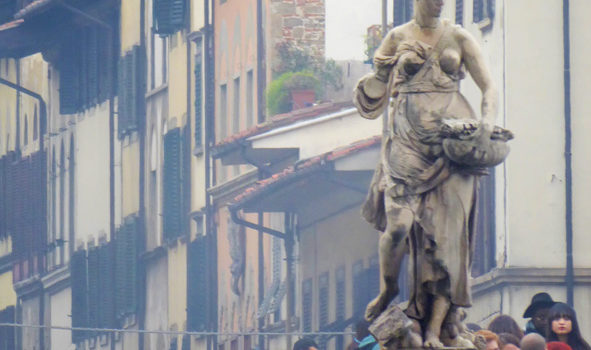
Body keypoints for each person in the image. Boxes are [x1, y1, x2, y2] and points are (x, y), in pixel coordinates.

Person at [354, 0, 500, 347]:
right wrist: (375, 77)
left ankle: (436, 329)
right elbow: (373, 94)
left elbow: (489, 87)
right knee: (398, 229)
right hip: (406, 140)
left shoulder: (460, 36)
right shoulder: (396, 37)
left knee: (450, 244)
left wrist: (487, 124)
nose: (438, 2)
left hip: (451, 144)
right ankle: (388, 290)